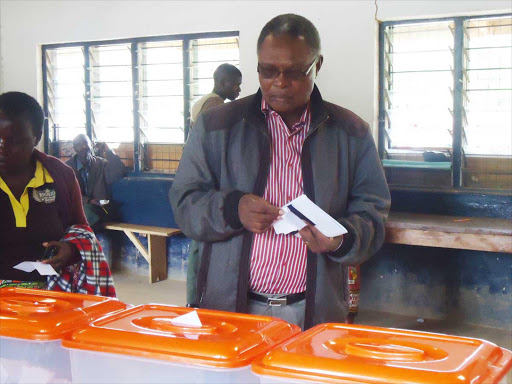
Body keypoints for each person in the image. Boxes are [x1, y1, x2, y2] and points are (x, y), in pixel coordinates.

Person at [170, 14, 390, 329]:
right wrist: (234, 209)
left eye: (295, 72)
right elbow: (184, 202)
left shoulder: (351, 133)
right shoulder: (216, 126)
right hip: (231, 307)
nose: (280, 82)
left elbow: (373, 212)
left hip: (315, 310)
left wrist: (341, 239)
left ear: (318, 65)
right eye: (268, 71)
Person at [0, 91, 115, 296]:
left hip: (51, 295)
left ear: (36, 138)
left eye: (14, 140)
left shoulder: (59, 176)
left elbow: (81, 230)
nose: (1, 147)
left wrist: (70, 250)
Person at [187, 63, 243, 306]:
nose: (239, 89)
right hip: (209, 181)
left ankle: (194, 298)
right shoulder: (215, 106)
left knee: (199, 243)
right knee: (203, 246)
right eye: (235, 84)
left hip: (201, 177)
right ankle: (197, 299)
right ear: (222, 83)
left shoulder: (202, 102)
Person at [66, 134, 126, 228]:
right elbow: (67, 192)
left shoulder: (101, 164)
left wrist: (108, 150)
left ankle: (80, 236)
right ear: (74, 149)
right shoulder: (67, 168)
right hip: (77, 208)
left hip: (99, 209)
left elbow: (119, 171)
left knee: (89, 213)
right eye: (78, 144)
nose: (83, 147)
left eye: (86, 143)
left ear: (92, 145)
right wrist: (88, 200)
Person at [190, 63, 242, 127]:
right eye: (236, 85)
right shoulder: (215, 103)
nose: (239, 90)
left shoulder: (206, 99)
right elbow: (218, 135)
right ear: (223, 83)